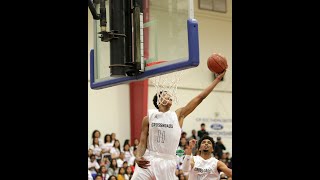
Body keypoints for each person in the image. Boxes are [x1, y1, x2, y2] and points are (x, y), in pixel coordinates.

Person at [131, 71, 226, 180]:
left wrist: (217, 80)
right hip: (148, 159)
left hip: (167, 162)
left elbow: (200, 98)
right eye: (166, 95)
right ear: (159, 99)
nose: (170, 97)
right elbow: (142, 143)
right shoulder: (148, 118)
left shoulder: (177, 115)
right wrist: (138, 156)